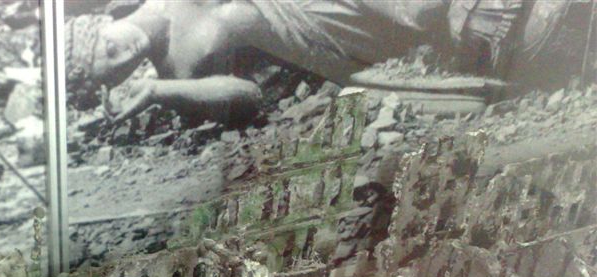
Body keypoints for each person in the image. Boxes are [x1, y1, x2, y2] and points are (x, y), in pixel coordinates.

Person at [65, 1, 590, 121]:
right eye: (116, 68)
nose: (124, 54)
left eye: (108, 47)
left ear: (100, 23)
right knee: (416, 10)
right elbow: (248, 97)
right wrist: (159, 92)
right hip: (313, 24)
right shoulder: (178, 68)